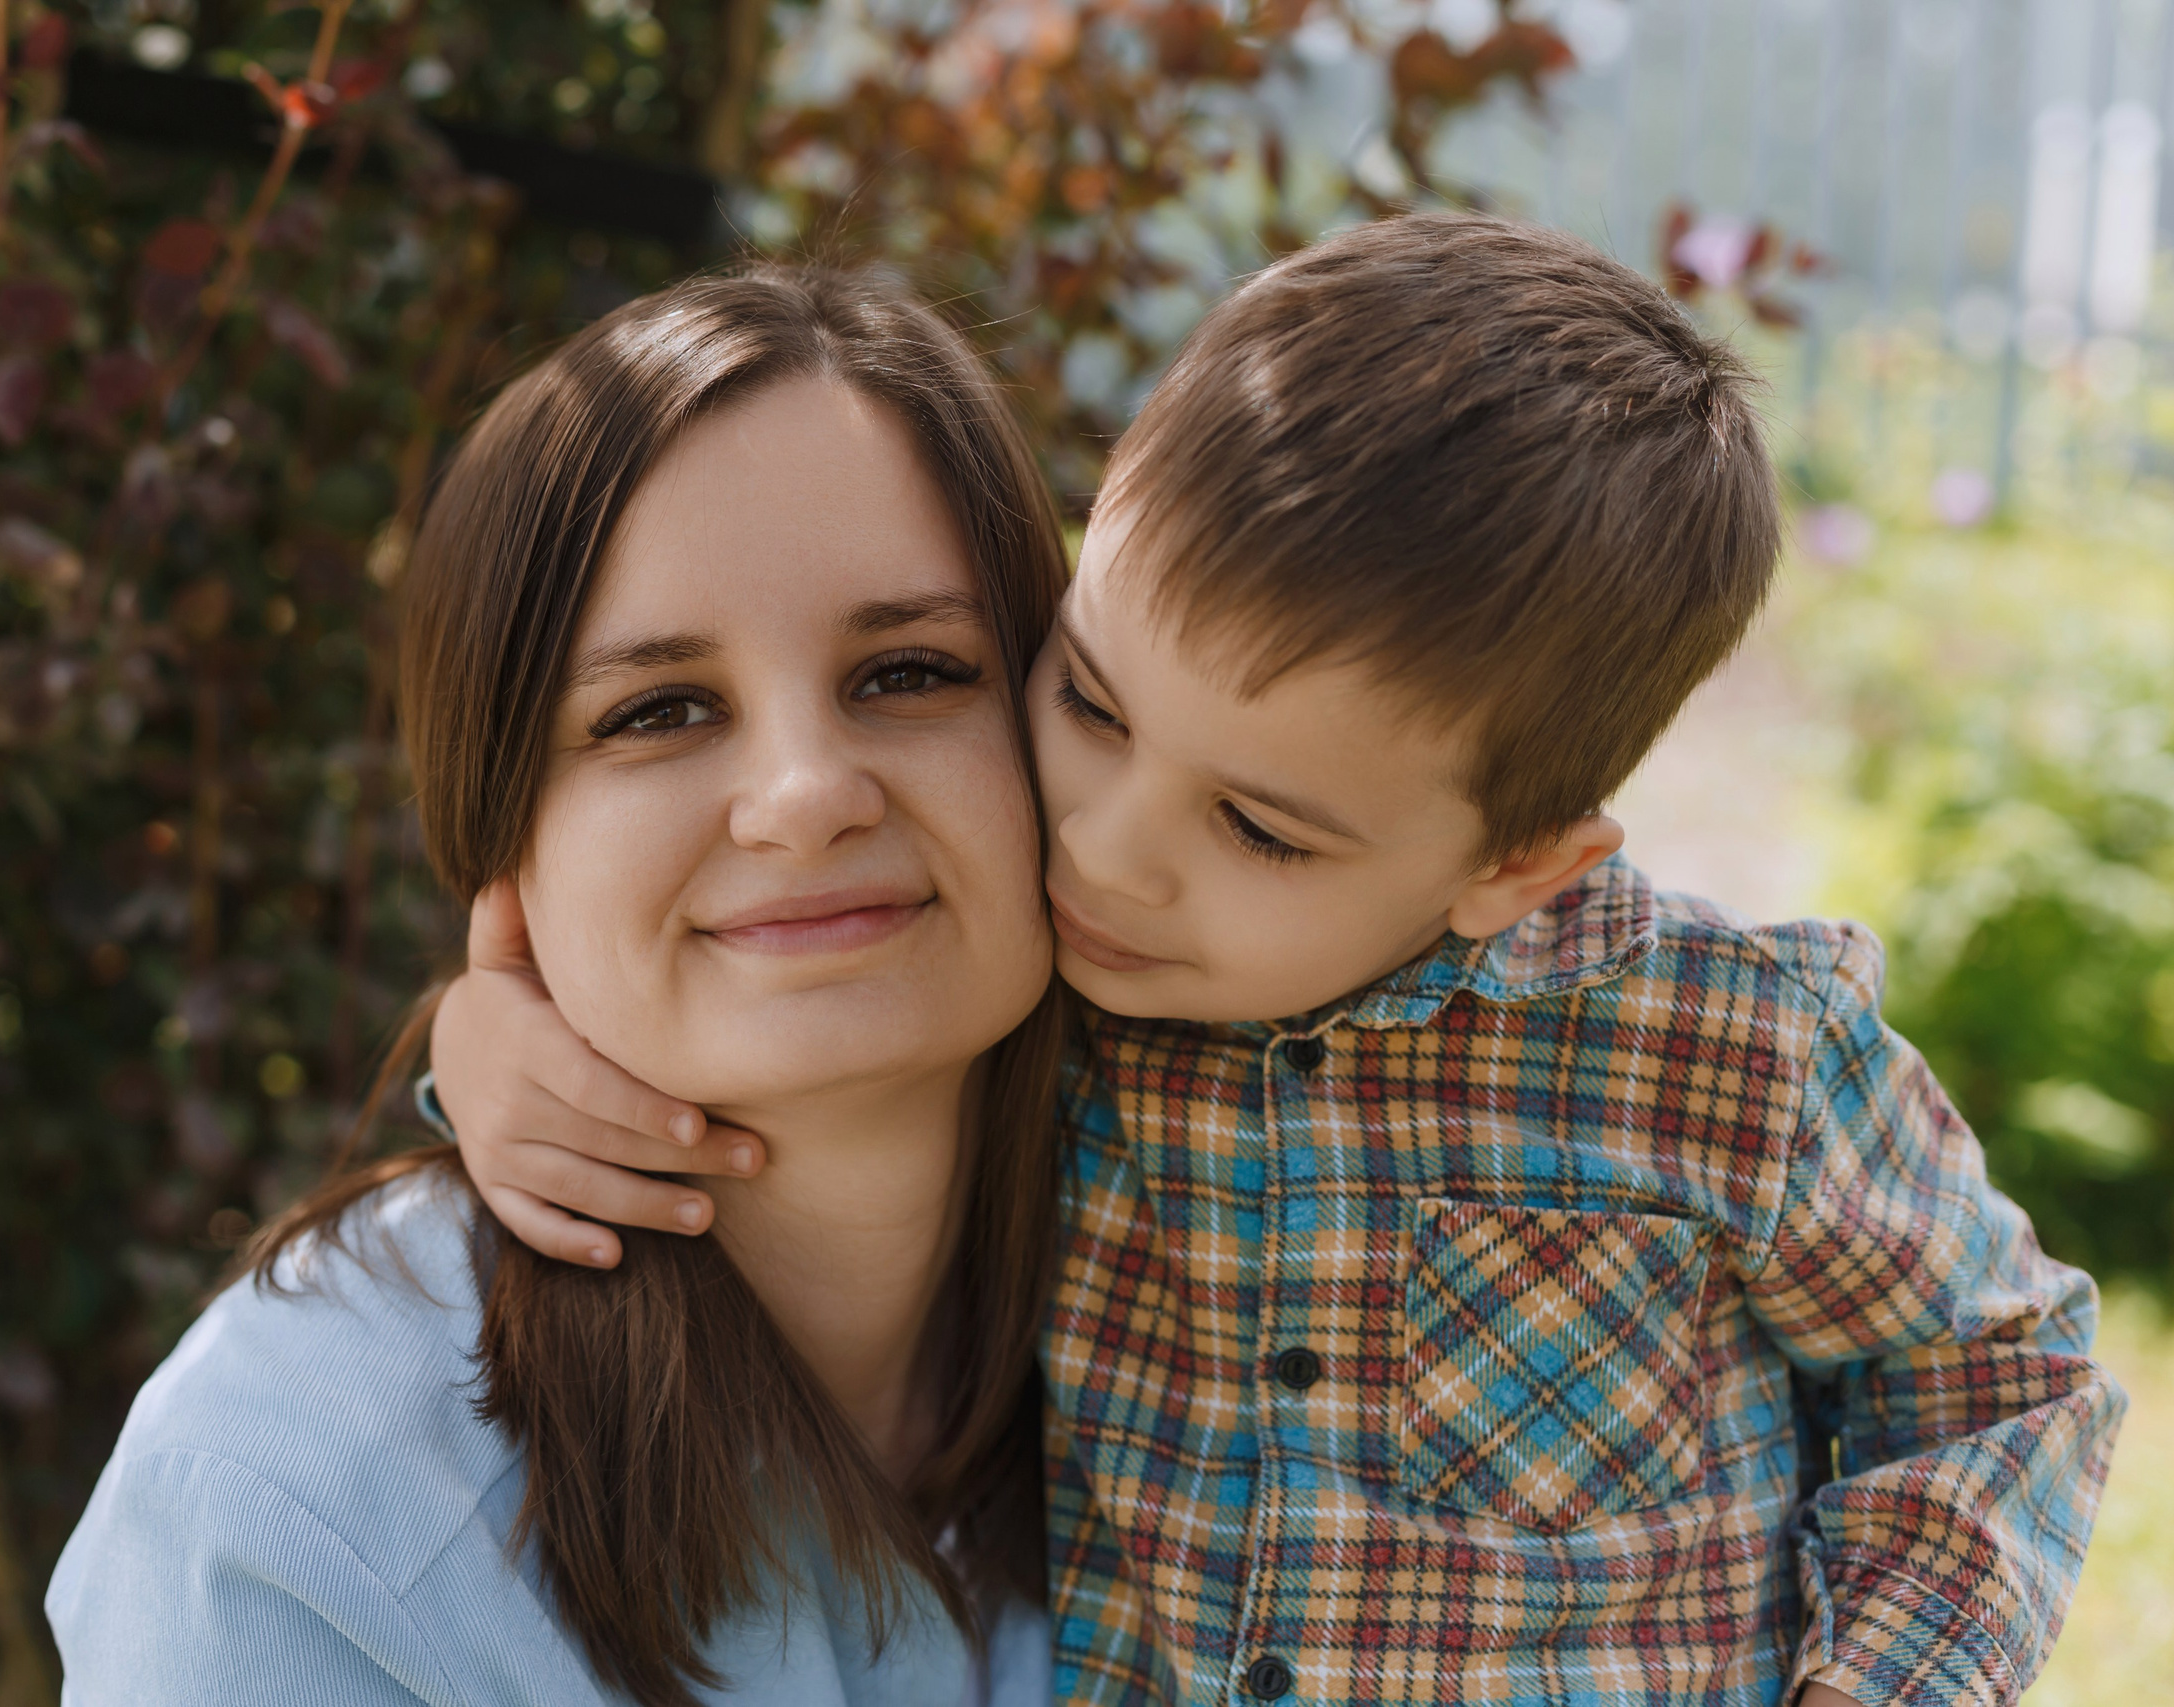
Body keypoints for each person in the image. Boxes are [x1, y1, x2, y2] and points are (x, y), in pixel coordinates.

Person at [425, 215, 2124, 1706]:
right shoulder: (1050, 978)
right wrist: (495, 1045)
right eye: (1088, 699)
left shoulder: (1718, 1055)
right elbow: (784, 1017)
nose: (1105, 844)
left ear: (1515, 864)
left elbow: (2001, 1379)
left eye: (1260, 829)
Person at [44, 265, 1079, 1706]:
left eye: (910, 671)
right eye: (658, 710)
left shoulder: (1245, 1250)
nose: (805, 795)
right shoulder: (295, 1510)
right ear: (503, 850)